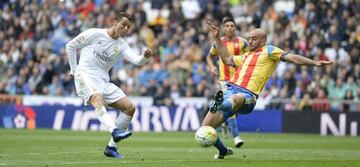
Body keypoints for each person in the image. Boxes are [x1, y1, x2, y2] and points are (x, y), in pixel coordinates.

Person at [204, 21, 333, 159]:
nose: (250, 41)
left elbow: (293, 57)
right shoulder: (245, 56)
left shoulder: (269, 51)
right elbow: (226, 59)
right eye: (249, 38)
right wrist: (217, 38)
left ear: (263, 41)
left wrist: (314, 62)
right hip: (230, 90)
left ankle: (219, 104)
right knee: (205, 129)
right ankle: (223, 150)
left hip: (248, 96)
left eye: (254, 38)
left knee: (235, 99)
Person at [65, 12, 153, 158]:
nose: (125, 29)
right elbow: (71, 46)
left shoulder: (122, 46)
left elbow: (137, 61)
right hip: (85, 74)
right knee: (97, 98)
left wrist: (144, 57)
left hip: (103, 81)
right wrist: (74, 70)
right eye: (123, 25)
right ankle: (114, 130)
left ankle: (111, 148)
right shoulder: (94, 33)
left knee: (129, 108)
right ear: (114, 22)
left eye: (128, 27)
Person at [206, 17, 248, 148]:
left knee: (233, 108)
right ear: (224, 28)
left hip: (239, 80)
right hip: (223, 80)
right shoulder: (218, 42)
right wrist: (211, 66)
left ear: (235, 28)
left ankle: (224, 124)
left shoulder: (243, 43)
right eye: (227, 26)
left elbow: (249, 59)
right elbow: (209, 56)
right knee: (231, 106)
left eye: (232, 26)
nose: (230, 28)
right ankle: (236, 137)